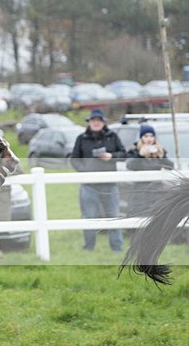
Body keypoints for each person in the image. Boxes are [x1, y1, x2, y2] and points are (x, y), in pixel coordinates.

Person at [69, 108, 127, 252]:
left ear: (103, 122)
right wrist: (84, 170)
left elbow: (124, 154)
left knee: (113, 216)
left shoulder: (112, 136)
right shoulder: (81, 138)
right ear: (89, 122)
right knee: (89, 217)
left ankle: (117, 248)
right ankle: (88, 248)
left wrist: (111, 156)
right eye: (93, 121)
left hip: (109, 185)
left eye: (98, 121)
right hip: (89, 185)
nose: (96, 123)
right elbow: (74, 159)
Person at [125, 124, 174, 216]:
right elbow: (130, 166)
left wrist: (162, 157)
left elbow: (170, 167)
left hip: (156, 191)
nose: (149, 139)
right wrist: (140, 155)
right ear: (141, 138)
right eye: (146, 136)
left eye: (151, 136)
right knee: (139, 217)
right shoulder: (134, 151)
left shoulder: (159, 150)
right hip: (140, 191)